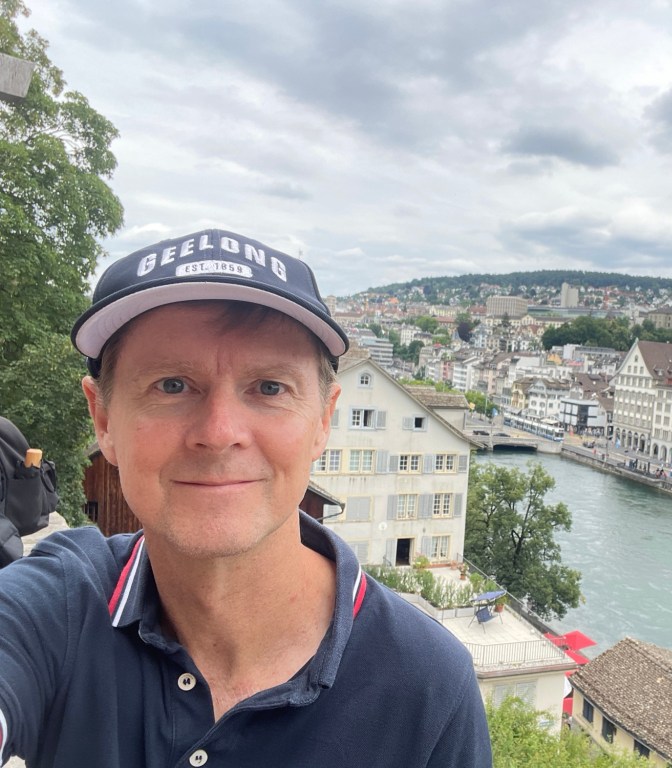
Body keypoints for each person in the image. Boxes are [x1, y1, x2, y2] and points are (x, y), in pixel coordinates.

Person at [0, 230, 492, 768]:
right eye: (171, 385)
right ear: (103, 419)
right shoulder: (56, 609)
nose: (218, 433)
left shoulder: (427, 688)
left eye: (269, 388)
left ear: (323, 421)